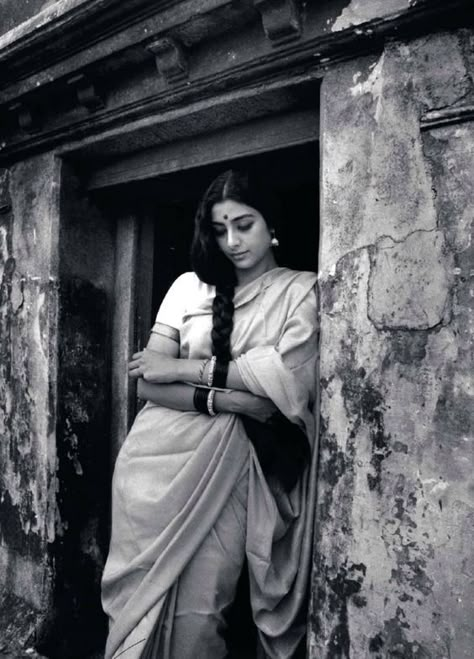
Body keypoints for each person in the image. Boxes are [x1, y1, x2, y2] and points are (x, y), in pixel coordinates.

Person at [101, 170, 319, 659]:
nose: (232, 241)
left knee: (201, 612)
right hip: (151, 467)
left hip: (232, 466)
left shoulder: (301, 291)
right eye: (220, 229)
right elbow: (146, 385)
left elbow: (285, 382)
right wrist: (233, 398)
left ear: (271, 223)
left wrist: (183, 367)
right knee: (137, 609)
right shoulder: (187, 287)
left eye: (244, 224)